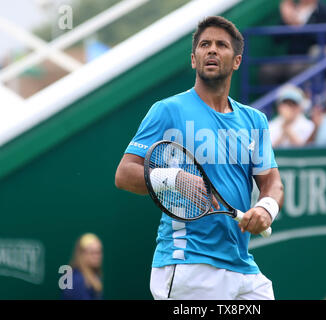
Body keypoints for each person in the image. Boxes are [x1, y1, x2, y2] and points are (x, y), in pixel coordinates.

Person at [115, 16, 284, 300]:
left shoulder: (255, 120)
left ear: (237, 61)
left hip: (243, 269)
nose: (212, 50)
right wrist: (173, 178)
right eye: (205, 45)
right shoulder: (167, 110)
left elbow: (272, 183)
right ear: (194, 59)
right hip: (188, 264)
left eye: (221, 45)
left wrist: (266, 209)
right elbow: (124, 174)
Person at [259, 0, 326, 85]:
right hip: (290, 58)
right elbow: (276, 39)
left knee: (295, 69)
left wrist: (301, 25)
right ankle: (276, 98)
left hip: (310, 59)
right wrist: (286, 21)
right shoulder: (292, 10)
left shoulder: (323, 11)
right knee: (267, 70)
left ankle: (295, 97)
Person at [61, 233, 103, 300]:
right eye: (92, 252)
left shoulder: (95, 276)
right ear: (82, 254)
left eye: (98, 252)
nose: (97, 256)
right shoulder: (76, 280)